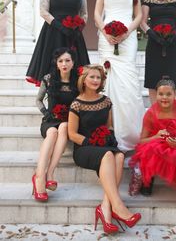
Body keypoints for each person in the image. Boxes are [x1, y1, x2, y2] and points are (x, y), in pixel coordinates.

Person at [68, 64, 141, 234]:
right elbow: (72, 134)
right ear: (84, 80)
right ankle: (118, 206)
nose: (95, 80)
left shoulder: (106, 101)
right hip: (84, 148)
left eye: (98, 77)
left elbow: (109, 127)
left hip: (103, 145)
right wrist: (91, 141)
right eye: (92, 77)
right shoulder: (76, 104)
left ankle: (105, 209)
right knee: (109, 155)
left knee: (120, 156)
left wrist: (108, 137)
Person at [94, 0, 145, 152]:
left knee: (128, 79)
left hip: (128, 38)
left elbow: (139, 15)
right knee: (108, 77)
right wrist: (105, 32)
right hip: (107, 37)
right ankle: (109, 128)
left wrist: (126, 32)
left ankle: (131, 131)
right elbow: (97, 14)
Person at [26, 0, 90, 86]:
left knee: (76, 69)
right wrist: (61, 27)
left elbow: (84, 13)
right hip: (53, 33)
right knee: (53, 67)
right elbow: (43, 12)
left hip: (74, 34)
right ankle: (53, 99)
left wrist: (77, 30)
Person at [32, 47, 78, 201]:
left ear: (73, 63)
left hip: (68, 123)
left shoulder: (78, 81)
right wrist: (46, 113)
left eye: (67, 60)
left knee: (64, 127)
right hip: (50, 121)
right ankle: (39, 177)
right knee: (52, 132)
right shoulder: (48, 79)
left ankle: (50, 173)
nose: (64, 63)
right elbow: (38, 100)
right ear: (56, 64)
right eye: (60, 61)